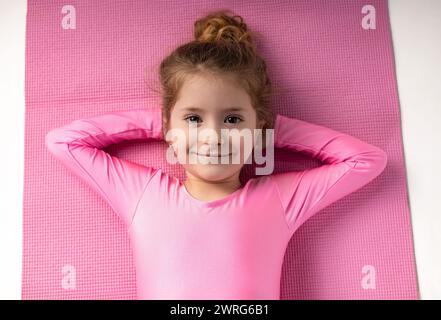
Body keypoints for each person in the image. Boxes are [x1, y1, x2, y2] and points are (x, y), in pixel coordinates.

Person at [45, 9, 388, 300]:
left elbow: (366, 161)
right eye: (194, 118)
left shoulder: (280, 199)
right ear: (168, 122)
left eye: (233, 119)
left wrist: (265, 129)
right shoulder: (143, 194)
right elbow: (64, 142)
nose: (214, 136)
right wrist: (165, 126)